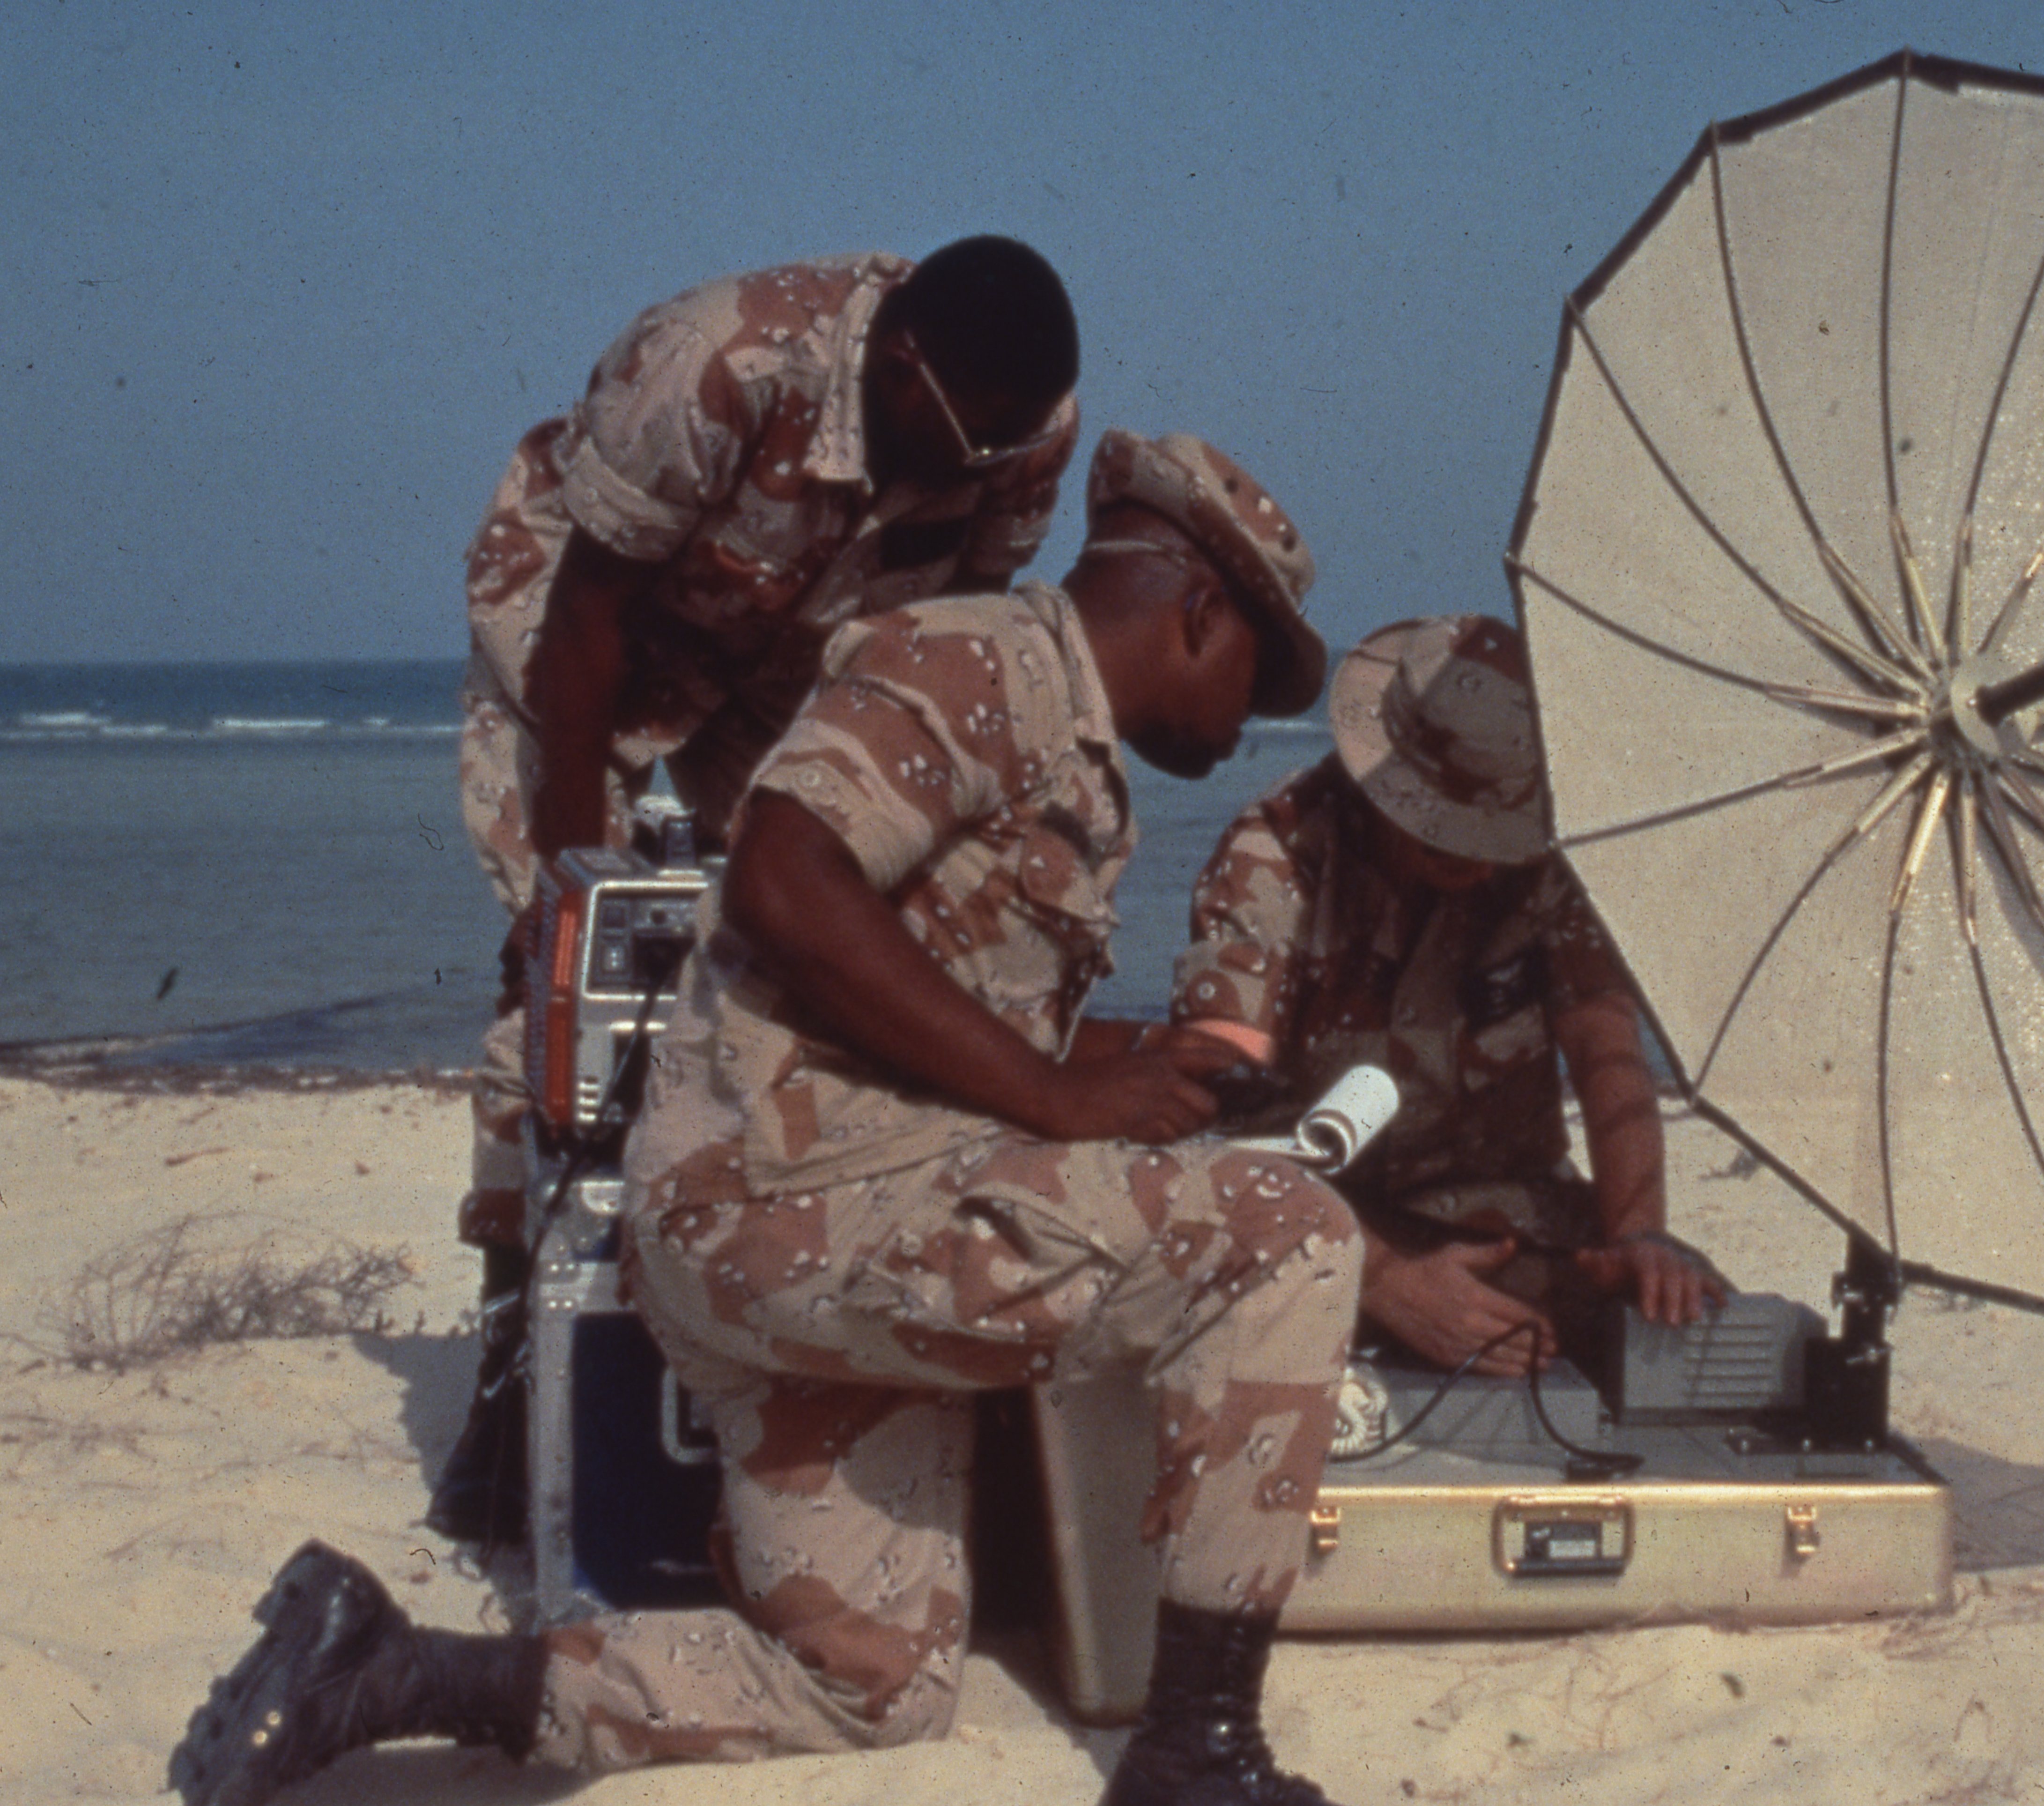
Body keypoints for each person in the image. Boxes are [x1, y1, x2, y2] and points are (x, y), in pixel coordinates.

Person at [173, 431, 1358, 1806]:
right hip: (797, 1210)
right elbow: (785, 884)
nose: (1248, 722)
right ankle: (1197, 1753)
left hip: (828, 1228)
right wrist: (1058, 1097)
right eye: (1254, 678)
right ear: (1198, 610)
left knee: (872, 1688)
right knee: (1287, 1240)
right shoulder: (974, 661)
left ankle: (388, 1671)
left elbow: (930, 1002)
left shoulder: (1064, 743)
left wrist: (1138, 1063)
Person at [432, 236, 1084, 1542]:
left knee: (818, 959)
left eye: (1004, 447)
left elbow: (948, 646)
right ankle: (516, 1372)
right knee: (566, 994)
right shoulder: (716, 362)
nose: (984, 465)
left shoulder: (1022, 426)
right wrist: (570, 882)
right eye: (969, 438)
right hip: (580, 636)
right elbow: (586, 622)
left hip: (793, 655)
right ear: (901, 365)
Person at [1173, 615, 1725, 1381]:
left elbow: (1604, 1044)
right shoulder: (1273, 861)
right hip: (1314, 1224)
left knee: (1698, 1338)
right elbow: (1209, 1127)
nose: (1482, 866)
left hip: (1507, 1221)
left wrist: (1639, 1234)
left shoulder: (1548, 864)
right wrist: (1381, 1279)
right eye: (1450, 839)